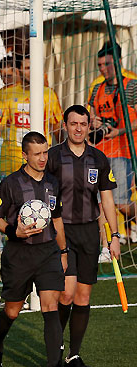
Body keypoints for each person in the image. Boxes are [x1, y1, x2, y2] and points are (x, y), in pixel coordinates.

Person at [0, 131, 70, 367]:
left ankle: (54, 366)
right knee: (12, 311)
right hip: (19, 255)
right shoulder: (10, 183)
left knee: (51, 305)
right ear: (25, 155)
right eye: (37, 154)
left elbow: (57, 219)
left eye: (45, 152)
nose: (43, 158)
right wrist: (15, 231)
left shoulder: (53, 182)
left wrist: (64, 251)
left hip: (48, 253)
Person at [47, 105, 120, 367]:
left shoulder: (98, 158)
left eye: (83, 124)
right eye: (73, 123)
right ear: (65, 125)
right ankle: (56, 347)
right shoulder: (53, 157)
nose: (78, 128)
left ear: (90, 126)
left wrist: (114, 235)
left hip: (90, 232)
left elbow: (107, 199)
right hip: (61, 233)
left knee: (83, 297)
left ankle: (73, 355)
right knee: (65, 294)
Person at [87, 42, 137, 256]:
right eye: (99, 65)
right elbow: (88, 114)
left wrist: (119, 131)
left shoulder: (131, 85)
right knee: (98, 202)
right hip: (100, 151)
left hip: (124, 150)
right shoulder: (97, 88)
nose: (103, 69)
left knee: (122, 204)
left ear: (117, 62)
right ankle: (106, 247)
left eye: (106, 64)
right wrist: (93, 121)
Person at [0, 54, 62, 178]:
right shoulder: (7, 94)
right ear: (19, 70)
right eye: (27, 68)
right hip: (11, 158)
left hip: (40, 158)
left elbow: (56, 126)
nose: (31, 72)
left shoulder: (48, 94)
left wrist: (63, 150)